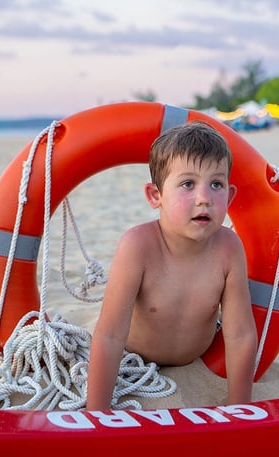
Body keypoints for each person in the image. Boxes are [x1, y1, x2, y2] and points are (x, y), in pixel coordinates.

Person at [86, 121, 257, 411]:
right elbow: (110, 334)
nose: (204, 198)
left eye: (216, 184)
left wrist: (240, 408)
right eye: (188, 184)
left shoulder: (229, 248)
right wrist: (97, 413)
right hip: (136, 361)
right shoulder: (137, 246)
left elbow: (240, 334)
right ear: (156, 196)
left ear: (229, 197)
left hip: (195, 361)